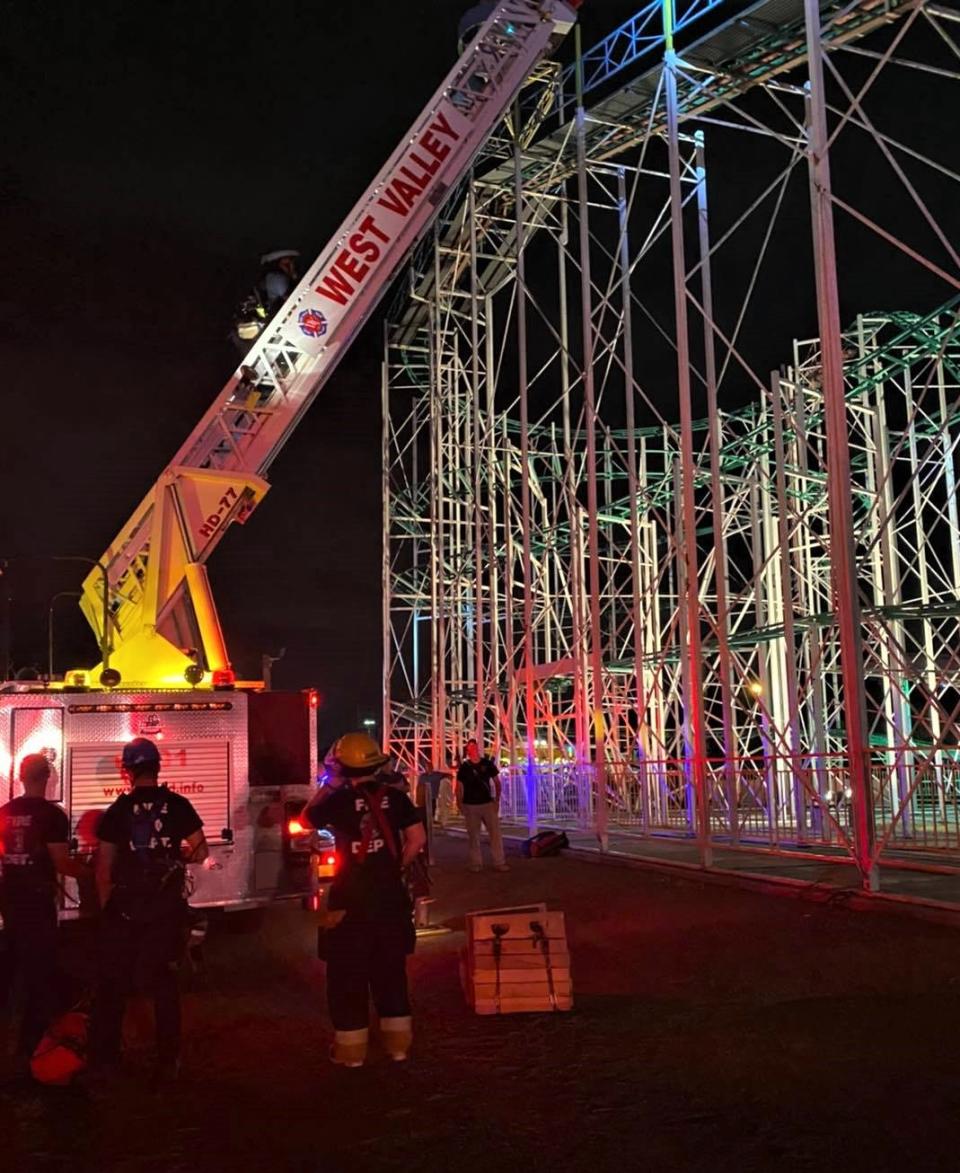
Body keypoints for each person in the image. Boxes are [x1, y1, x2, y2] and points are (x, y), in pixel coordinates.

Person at [302, 732, 426, 1068]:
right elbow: (417, 839)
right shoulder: (397, 799)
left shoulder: (337, 801)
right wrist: (395, 866)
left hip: (348, 902)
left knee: (347, 977)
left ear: (343, 766)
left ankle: (351, 1052)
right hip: (390, 899)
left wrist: (330, 783)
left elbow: (305, 819)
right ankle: (398, 1046)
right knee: (391, 972)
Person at [88, 738, 208, 1084]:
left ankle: (106, 1059)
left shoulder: (117, 812)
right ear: (157, 768)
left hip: (125, 910)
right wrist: (177, 858)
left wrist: (106, 906)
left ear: (128, 771)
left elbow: (103, 868)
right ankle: (168, 1060)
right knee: (165, 985)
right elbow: (200, 853)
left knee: (113, 985)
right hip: (166, 911)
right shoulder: (178, 805)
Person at [0, 753, 88, 1075]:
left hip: (10, 901)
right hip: (37, 904)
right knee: (40, 976)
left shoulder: (5, 812)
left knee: (8, 972)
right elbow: (62, 863)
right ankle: (30, 1051)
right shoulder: (52, 816)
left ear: (22, 777)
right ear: (47, 777)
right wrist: (95, 875)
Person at [456, 738, 507, 873]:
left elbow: (496, 781)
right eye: (470, 747)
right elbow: (459, 786)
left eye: (474, 746)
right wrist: (459, 802)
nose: (472, 749)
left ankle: (499, 862)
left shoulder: (487, 763)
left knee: (495, 834)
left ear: (477, 747)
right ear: (468, 750)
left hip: (487, 803)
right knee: (473, 836)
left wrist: (497, 799)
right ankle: (476, 864)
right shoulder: (464, 767)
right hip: (470, 805)